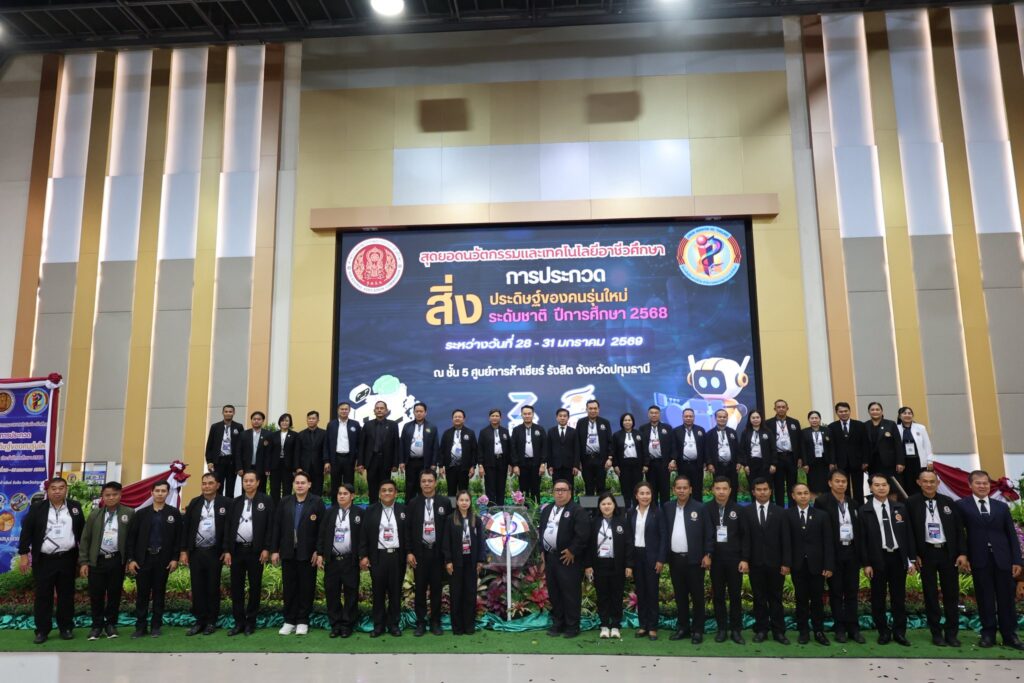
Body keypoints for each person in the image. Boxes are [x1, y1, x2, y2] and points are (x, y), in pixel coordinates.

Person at [956, 470, 1024, 650]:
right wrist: (963, 554)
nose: (982, 486)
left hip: (1003, 559)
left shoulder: (1001, 507)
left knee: (1006, 598)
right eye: (978, 483)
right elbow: (959, 534)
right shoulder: (961, 506)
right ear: (970, 485)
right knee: (984, 598)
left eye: (985, 483)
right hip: (979, 559)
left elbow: (1011, 535)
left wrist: (1017, 560)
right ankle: (988, 634)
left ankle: (1010, 635)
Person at [18, 477, 85, 644]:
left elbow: (82, 533)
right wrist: (24, 554)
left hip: (67, 558)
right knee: (43, 596)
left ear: (66, 489)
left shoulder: (75, 507)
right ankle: (42, 630)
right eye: (53, 488)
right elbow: (26, 532)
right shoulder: (37, 508)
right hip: (44, 560)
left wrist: (83, 559)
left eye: (61, 488)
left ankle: (66, 628)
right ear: (48, 491)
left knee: (66, 595)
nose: (57, 491)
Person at [907, 469, 967, 647]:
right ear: (919, 483)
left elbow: (959, 530)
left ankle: (952, 633)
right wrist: (913, 555)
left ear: (938, 483)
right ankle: (936, 633)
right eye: (925, 481)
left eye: (932, 481)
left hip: (948, 553)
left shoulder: (948, 502)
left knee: (951, 594)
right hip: (926, 554)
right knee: (930, 595)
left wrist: (962, 553)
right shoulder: (911, 503)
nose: (929, 484)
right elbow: (908, 532)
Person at [858, 473, 916, 646]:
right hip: (877, 559)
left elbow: (908, 535)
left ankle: (899, 632)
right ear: (871, 488)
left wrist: (911, 559)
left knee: (899, 597)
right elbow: (862, 541)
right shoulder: (864, 510)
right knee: (878, 598)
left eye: (884, 484)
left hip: (897, 557)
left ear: (889, 487)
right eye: (877, 485)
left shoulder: (900, 507)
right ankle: (883, 631)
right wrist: (866, 563)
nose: (881, 488)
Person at [125, 480, 182, 638]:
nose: (160, 494)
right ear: (151, 493)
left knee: (159, 593)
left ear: (167, 493)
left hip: (163, 560)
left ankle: (156, 625)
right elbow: (131, 539)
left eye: (163, 491)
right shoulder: (141, 514)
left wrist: (175, 558)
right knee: (142, 594)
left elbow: (178, 538)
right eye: (157, 491)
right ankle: (140, 626)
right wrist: (131, 559)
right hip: (143, 560)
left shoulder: (173, 513)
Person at [271, 471, 324, 635]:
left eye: (303, 483)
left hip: (308, 553)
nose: (300, 485)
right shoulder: (285, 501)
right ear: (293, 485)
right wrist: (274, 550)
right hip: (288, 551)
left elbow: (322, 529)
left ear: (309, 485)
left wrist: (319, 551)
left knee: (306, 588)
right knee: (289, 587)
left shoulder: (317, 502)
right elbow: (276, 527)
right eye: (297, 483)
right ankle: (289, 620)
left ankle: (302, 621)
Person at [814, 469, 864, 643]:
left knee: (852, 592)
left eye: (844, 481)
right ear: (830, 483)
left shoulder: (853, 503)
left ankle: (853, 628)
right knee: (836, 592)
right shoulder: (822, 502)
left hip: (851, 552)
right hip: (833, 553)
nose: (841, 484)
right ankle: (839, 628)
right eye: (837, 481)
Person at [78, 481, 132, 640]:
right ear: (102, 496)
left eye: (114, 494)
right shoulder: (95, 514)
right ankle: (97, 626)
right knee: (96, 594)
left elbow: (132, 539)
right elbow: (85, 539)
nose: (111, 498)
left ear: (120, 495)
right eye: (107, 495)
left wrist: (130, 559)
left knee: (114, 594)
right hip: (97, 561)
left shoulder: (129, 513)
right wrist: (84, 561)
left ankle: (111, 625)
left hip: (116, 560)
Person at [180, 473, 231, 635]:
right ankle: (199, 621)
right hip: (196, 552)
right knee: (197, 587)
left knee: (212, 587)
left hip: (215, 552)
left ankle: (211, 621)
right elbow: (186, 528)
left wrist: (226, 549)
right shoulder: (194, 503)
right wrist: (184, 550)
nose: (206, 486)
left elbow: (229, 528)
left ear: (218, 485)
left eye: (210, 483)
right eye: (204, 483)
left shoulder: (226, 503)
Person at [662, 475, 712, 643]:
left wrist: (708, 554)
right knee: (680, 596)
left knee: (697, 596)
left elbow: (709, 533)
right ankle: (683, 627)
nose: (682, 490)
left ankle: (698, 630)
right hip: (675, 559)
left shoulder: (700, 507)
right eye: (679, 488)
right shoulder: (667, 507)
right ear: (674, 490)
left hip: (695, 560)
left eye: (685, 488)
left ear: (690, 489)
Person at [223, 470, 273, 635]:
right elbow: (228, 527)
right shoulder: (235, 502)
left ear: (258, 482)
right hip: (237, 551)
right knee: (236, 588)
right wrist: (227, 550)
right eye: (246, 481)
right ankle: (239, 622)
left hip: (255, 551)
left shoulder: (266, 501)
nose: (248, 483)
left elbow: (270, 527)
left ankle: (251, 622)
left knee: (255, 587)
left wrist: (266, 548)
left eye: (252, 480)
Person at [742, 477, 790, 644]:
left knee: (776, 598)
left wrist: (786, 562)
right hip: (755, 563)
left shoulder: (780, 512)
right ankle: (761, 629)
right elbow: (745, 538)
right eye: (759, 490)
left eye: (765, 489)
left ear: (770, 491)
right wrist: (745, 559)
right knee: (759, 598)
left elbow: (785, 539)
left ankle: (779, 631)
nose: (762, 492)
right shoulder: (746, 512)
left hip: (776, 564)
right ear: (753, 492)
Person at [784, 483, 833, 645]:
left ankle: (819, 631)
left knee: (817, 600)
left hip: (817, 565)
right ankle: (803, 631)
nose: (803, 496)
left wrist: (828, 565)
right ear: (793, 496)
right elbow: (786, 541)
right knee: (801, 599)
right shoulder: (787, 515)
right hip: (797, 565)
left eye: (806, 493)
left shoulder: (822, 515)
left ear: (810, 495)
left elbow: (828, 542)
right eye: (799, 493)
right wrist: (786, 563)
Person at [540, 479, 590, 638]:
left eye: (563, 490)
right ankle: (558, 623)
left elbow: (583, 535)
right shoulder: (547, 510)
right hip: (551, 558)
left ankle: (572, 626)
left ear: (570, 492)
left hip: (568, 559)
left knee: (570, 593)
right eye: (557, 490)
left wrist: (572, 551)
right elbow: (542, 532)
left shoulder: (577, 510)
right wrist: (542, 552)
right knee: (554, 592)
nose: (560, 493)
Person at [360, 479, 409, 637]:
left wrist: (409, 553)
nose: (387, 493)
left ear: (395, 493)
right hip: (378, 557)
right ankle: (379, 625)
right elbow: (364, 534)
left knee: (395, 592)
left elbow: (408, 535)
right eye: (384, 490)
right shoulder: (371, 510)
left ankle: (394, 625)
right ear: (379, 494)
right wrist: (364, 555)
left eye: (390, 490)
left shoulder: (403, 510)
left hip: (397, 556)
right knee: (378, 592)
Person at [405, 469, 449, 636]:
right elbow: (408, 530)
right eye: (424, 481)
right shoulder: (413, 503)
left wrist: (447, 555)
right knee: (420, 589)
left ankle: (435, 622)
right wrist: (409, 552)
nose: (427, 484)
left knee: (436, 589)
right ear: (420, 483)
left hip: (437, 554)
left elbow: (449, 531)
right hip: (420, 553)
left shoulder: (444, 502)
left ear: (435, 482)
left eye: (430, 481)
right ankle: (421, 622)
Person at [316, 482, 363, 638]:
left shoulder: (359, 513)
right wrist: (320, 553)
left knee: (351, 592)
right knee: (332, 592)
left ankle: (347, 624)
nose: (341, 496)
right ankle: (335, 624)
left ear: (352, 496)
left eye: (345, 494)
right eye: (339, 493)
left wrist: (363, 556)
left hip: (350, 560)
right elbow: (322, 533)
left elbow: (364, 536)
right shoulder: (330, 512)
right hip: (333, 560)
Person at [585, 492, 632, 639]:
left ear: (614, 505)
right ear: (599, 506)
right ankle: (604, 625)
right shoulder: (593, 522)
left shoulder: (622, 522)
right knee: (602, 596)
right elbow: (587, 546)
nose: (606, 506)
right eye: (603, 504)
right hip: (599, 564)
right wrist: (588, 565)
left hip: (617, 564)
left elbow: (628, 545)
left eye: (609, 504)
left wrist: (629, 565)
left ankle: (616, 625)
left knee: (617, 595)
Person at [705, 475, 746, 643]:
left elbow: (744, 536)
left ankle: (736, 630)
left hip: (735, 560)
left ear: (730, 490)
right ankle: (722, 629)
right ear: (712, 490)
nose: (721, 492)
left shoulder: (739, 509)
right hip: (715, 560)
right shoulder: (706, 509)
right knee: (718, 596)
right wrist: (707, 555)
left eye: (724, 489)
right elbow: (705, 534)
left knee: (735, 596)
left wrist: (744, 559)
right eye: (718, 488)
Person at [443, 490, 487, 635]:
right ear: (457, 502)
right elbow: (446, 542)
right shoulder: (450, 519)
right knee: (456, 594)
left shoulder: (476, 520)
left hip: (471, 562)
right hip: (456, 562)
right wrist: (448, 560)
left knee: (470, 594)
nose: (464, 503)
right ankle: (457, 627)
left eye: (466, 500)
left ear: (470, 502)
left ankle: (469, 626)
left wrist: (480, 560)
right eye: (461, 500)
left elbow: (481, 541)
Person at [629, 481, 667, 640]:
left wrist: (661, 559)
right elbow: (628, 538)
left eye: (648, 493)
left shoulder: (658, 512)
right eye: (642, 493)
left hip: (652, 556)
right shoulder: (631, 512)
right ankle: (643, 625)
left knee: (652, 592)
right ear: (636, 496)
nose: (645, 496)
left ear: (652, 495)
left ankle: (652, 626)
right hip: (636, 556)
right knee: (641, 591)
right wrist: (629, 562)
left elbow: (664, 537)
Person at [359, 401, 402, 505]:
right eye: (377, 408)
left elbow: (396, 445)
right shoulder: (367, 425)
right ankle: (373, 508)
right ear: (374, 411)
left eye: (382, 408)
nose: (379, 410)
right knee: (372, 487)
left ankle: (385, 506)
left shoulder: (393, 425)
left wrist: (395, 464)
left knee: (385, 487)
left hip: (386, 461)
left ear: (386, 411)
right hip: (371, 461)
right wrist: (360, 463)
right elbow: (362, 445)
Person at [828, 402, 869, 504]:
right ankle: (846, 507)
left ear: (850, 411)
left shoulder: (860, 425)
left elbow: (865, 444)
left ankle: (859, 508)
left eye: (846, 411)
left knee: (858, 488)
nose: (843, 413)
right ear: (837, 413)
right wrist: (833, 462)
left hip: (857, 461)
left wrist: (865, 461)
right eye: (841, 411)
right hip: (840, 462)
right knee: (842, 487)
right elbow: (831, 446)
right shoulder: (832, 427)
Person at [765, 399, 802, 507]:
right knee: (778, 485)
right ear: (774, 409)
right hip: (777, 458)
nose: (781, 409)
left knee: (793, 484)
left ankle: (793, 508)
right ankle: (779, 509)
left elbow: (799, 441)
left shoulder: (794, 422)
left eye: (783, 407)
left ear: (787, 408)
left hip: (791, 457)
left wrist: (800, 457)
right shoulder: (768, 423)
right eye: (778, 407)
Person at [400, 402, 439, 503]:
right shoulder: (407, 426)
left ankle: (424, 507)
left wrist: (434, 463)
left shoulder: (432, 427)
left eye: (421, 411)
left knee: (425, 486)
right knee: (410, 487)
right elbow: (402, 444)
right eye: (417, 411)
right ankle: (409, 508)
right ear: (413, 412)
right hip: (410, 462)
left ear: (425, 413)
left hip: (425, 463)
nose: (419, 413)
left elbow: (435, 447)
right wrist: (402, 461)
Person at [638, 405, 675, 506]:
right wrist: (644, 463)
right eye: (652, 413)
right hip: (649, 463)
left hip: (664, 463)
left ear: (659, 414)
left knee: (664, 489)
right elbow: (640, 447)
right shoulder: (643, 428)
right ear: (648, 414)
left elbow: (673, 445)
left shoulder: (667, 428)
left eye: (656, 413)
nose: (654, 415)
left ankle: (665, 510)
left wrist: (673, 460)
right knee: (651, 488)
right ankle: (653, 511)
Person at [575, 400, 613, 496]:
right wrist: (577, 461)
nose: (593, 411)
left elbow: (610, 441)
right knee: (588, 486)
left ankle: (601, 506)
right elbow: (577, 443)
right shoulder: (581, 422)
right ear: (586, 409)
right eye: (590, 408)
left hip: (601, 459)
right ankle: (590, 506)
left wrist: (610, 458)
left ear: (598, 409)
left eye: (595, 408)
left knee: (601, 486)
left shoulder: (605, 422)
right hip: (586, 459)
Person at [205, 404, 244, 497]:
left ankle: (229, 505)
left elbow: (242, 447)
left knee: (230, 487)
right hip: (218, 461)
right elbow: (209, 446)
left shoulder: (238, 427)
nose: (228, 413)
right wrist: (209, 461)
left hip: (232, 462)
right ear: (222, 413)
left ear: (234, 413)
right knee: (218, 486)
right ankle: (218, 505)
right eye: (226, 411)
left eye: (230, 412)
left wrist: (239, 465)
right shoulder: (215, 427)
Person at [324, 402, 361, 498]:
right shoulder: (331, 424)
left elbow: (359, 444)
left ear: (349, 411)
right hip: (335, 458)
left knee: (349, 484)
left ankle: (349, 504)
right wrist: (327, 461)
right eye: (342, 409)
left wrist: (358, 460)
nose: (344, 411)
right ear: (338, 410)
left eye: (346, 409)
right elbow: (326, 443)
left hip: (349, 459)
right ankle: (335, 504)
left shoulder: (355, 424)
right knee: (335, 484)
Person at [511, 405, 546, 503]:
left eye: (529, 414)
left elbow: (544, 448)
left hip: (536, 464)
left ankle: (536, 510)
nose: (527, 416)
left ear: (533, 414)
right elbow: (513, 448)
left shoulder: (540, 429)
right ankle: (524, 510)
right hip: (522, 464)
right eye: (525, 414)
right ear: (521, 415)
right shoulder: (516, 430)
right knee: (523, 489)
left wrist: (543, 464)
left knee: (536, 489)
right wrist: (515, 465)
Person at [439, 409, 478, 497]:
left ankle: (463, 506)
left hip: (464, 468)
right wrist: (441, 466)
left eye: (459, 417)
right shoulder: (447, 433)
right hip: (450, 467)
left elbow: (474, 451)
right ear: (452, 419)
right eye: (455, 417)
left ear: (464, 419)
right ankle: (452, 506)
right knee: (451, 491)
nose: (457, 418)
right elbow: (441, 451)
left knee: (463, 491)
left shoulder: (470, 433)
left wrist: (473, 466)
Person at [703, 410, 740, 501]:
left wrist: (739, 462)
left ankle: (732, 506)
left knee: (733, 487)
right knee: (719, 487)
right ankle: (719, 506)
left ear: (727, 418)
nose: (722, 419)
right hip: (717, 466)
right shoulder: (709, 434)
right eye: (720, 417)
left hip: (731, 466)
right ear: (715, 418)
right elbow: (707, 450)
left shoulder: (732, 432)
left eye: (724, 417)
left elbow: (737, 449)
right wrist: (709, 464)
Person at [478, 408, 511, 505]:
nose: (495, 418)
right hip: (489, 463)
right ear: (489, 418)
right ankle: (491, 509)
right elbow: (480, 449)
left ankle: (500, 509)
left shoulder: (505, 431)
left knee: (501, 487)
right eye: (493, 416)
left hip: (502, 463)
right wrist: (480, 465)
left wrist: (511, 464)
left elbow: (509, 448)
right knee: (490, 488)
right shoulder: (484, 432)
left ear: (500, 418)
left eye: (497, 416)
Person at [672, 408, 706, 503]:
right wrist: (673, 460)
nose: (688, 418)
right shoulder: (676, 431)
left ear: (694, 417)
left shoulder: (700, 430)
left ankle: (698, 507)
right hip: (682, 465)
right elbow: (674, 447)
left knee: (697, 487)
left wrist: (706, 462)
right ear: (682, 417)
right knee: (683, 486)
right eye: (686, 416)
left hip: (697, 465)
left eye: (690, 416)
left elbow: (705, 447)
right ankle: (684, 505)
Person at [896, 406, 932, 496]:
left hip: (918, 461)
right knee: (907, 485)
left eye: (909, 413)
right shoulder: (896, 428)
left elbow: (927, 445)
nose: (907, 415)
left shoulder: (921, 428)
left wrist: (930, 460)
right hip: (904, 462)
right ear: (900, 416)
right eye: (904, 413)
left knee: (920, 484)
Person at [612, 413, 644, 510]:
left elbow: (644, 450)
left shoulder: (639, 434)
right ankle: (625, 511)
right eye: (625, 420)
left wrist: (645, 464)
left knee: (637, 488)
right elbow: (614, 452)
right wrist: (615, 465)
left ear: (633, 422)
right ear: (622, 422)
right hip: (623, 466)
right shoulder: (616, 435)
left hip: (637, 466)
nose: (627, 422)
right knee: (625, 489)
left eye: (629, 420)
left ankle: (637, 509)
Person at [865, 402, 904, 483]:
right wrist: (864, 462)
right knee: (875, 484)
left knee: (891, 485)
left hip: (889, 462)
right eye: (872, 410)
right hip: (872, 463)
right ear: (869, 412)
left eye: (877, 409)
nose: (875, 411)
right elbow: (863, 445)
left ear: (882, 411)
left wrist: (900, 462)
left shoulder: (891, 424)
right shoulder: (865, 425)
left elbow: (898, 444)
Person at [739, 410, 775, 494]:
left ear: (761, 418)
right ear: (750, 419)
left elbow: (773, 448)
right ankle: (754, 502)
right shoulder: (745, 432)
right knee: (753, 486)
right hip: (751, 464)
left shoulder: (767, 431)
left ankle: (768, 502)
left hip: (765, 464)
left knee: (767, 486)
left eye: (757, 417)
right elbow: (742, 450)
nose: (755, 419)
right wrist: (745, 465)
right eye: (753, 418)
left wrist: (773, 464)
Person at [237, 411, 272, 493]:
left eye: (259, 419)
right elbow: (238, 452)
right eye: (254, 419)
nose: (256, 421)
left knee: (261, 489)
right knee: (246, 488)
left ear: (263, 421)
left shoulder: (269, 434)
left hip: (261, 468)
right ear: (251, 420)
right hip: (246, 467)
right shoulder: (243, 434)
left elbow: (269, 453)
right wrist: (239, 467)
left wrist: (267, 468)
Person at [801, 411, 833, 496]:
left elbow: (832, 447)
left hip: (825, 462)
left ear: (820, 419)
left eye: (816, 418)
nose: (814, 420)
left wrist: (832, 462)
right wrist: (805, 463)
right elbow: (803, 449)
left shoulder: (827, 431)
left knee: (826, 484)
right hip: (811, 463)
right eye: (812, 418)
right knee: (813, 485)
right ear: (809, 420)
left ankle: (826, 501)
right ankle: (815, 501)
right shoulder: (804, 432)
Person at [296, 410, 327, 497]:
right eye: (309, 418)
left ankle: (317, 505)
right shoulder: (300, 434)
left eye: (313, 418)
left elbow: (325, 450)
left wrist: (326, 463)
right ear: (307, 420)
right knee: (305, 488)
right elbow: (297, 452)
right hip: (304, 467)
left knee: (318, 488)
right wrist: (297, 467)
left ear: (318, 420)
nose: (311, 420)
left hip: (319, 466)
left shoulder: (324, 434)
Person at [546, 408, 579, 486]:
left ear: (568, 417)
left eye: (565, 416)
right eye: (560, 416)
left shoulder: (574, 432)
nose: (562, 418)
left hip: (569, 466)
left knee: (569, 487)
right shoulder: (551, 431)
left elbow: (577, 449)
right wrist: (549, 465)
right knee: (557, 487)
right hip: (556, 466)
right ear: (556, 417)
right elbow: (548, 450)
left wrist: (576, 465)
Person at [269, 413, 297, 501]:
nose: (284, 422)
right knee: (274, 489)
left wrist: (295, 468)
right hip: (275, 466)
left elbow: (296, 453)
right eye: (282, 421)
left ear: (290, 422)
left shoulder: (295, 435)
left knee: (287, 488)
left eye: (287, 421)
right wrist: (267, 467)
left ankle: (285, 507)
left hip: (288, 466)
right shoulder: (273, 435)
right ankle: (275, 507)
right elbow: (269, 452)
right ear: (279, 422)